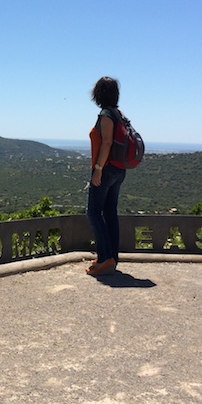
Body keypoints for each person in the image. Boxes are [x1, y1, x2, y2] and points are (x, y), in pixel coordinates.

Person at [86, 76, 127, 275]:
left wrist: (99, 169)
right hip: (119, 170)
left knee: (93, 212)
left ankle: (104, 258)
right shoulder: (119, 114)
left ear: (98, 94)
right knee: (110, 212)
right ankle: (111, 257)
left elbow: (107, 143)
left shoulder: (105, 115)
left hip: (107, 169)